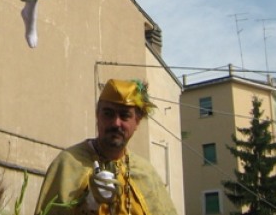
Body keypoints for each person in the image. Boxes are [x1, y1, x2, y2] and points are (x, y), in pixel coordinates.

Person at [35, 79, 178, 215]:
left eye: (124, 115)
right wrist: (88, 203)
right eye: (108, 114)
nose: (116, 123)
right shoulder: (67, 165)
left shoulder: (147, 173)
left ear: (137, 122)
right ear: (97, 115)